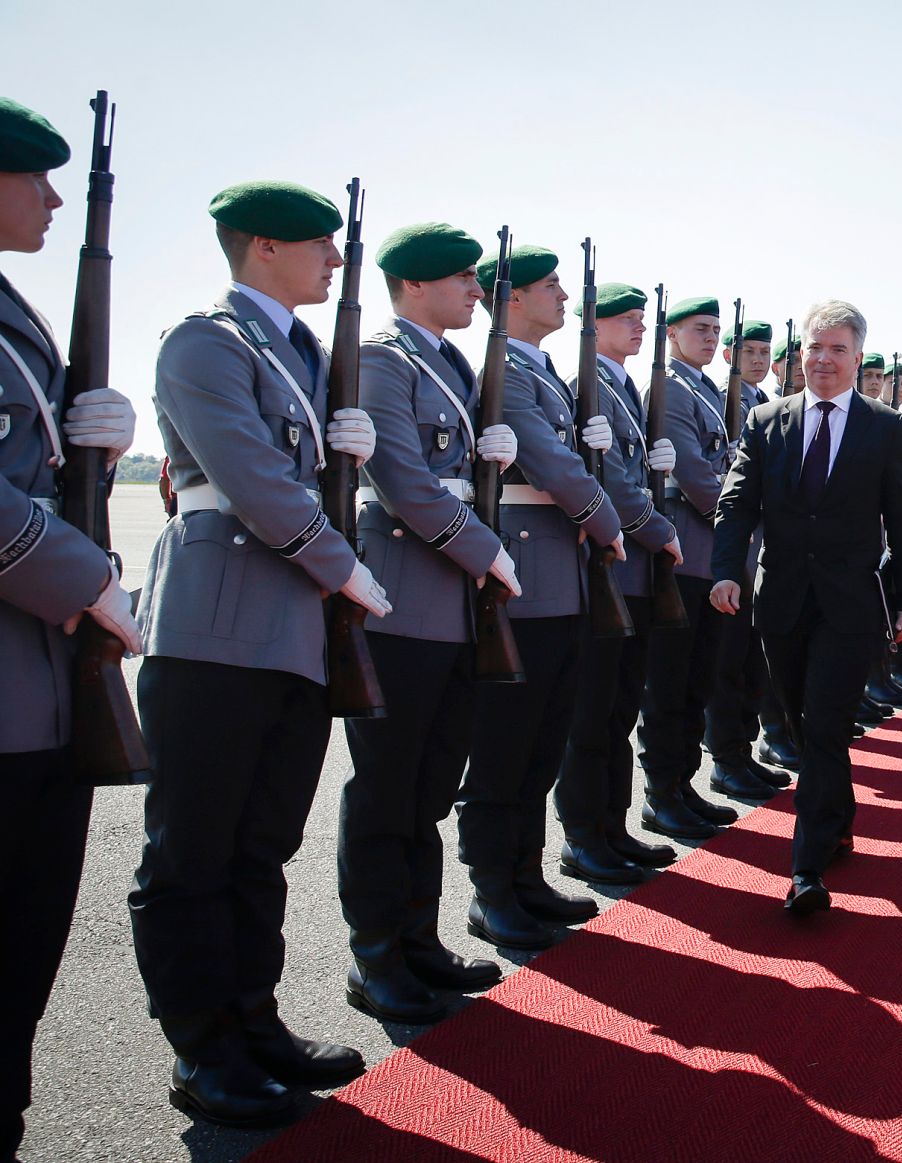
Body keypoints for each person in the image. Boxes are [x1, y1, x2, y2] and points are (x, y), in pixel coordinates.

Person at [133, 179, 389, 1126]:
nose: (331, 260)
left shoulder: (308, 354)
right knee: (193, 848)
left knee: (262, 842)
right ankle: (204, 1052)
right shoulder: (205, 340)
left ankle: (255, 1020)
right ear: (265, 249)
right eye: (319, 245)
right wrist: (345, 565)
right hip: (218, 622)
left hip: (294, 628)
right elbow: (247, 476)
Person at [0, 97, 141, 1157]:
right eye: (33, 175)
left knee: (22, 949)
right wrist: (88, 575)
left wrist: (83, 451)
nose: (53, 197)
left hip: (43, 693)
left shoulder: (18, 316)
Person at [339, 221, 519, 1022]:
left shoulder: (445, 361)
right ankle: (376, 953)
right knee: (388, 786)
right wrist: (483, 548)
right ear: (414, 284)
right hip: (406, 596)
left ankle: (419, 938)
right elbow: (402, 476)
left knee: (431, 784)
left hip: (451, 607)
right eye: (463, 277)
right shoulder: (383, 356)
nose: (477, 290)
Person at [710, 299, 902, 914]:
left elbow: (901, 522)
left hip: (852, 604)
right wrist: (728, 572)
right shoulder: (768, 422)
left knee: (825, 723)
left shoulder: (884, 427)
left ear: (857, 358)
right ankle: (839, 815)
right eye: (814, 348)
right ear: (799, 354)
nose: (824, 360)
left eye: (837, 350)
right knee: (805, 725)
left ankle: (805, 868)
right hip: (781, 601)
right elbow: (738, 503)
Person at [457, 244, 628, 949]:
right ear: (514, 300)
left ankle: (524, 874)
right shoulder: (502, 368)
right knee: (503, 747)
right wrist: (610, 518)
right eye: (550, 287)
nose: (564, 298)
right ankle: (491, 887)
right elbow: (547, 459)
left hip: (560, 579)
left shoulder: (548, 372)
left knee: (540, 745)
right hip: (524, 582)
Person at [554, 283, 686, 883]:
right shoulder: (585, 382)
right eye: (628, 320)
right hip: (607, 566)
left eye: (642, 320)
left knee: (620, 709)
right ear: (593, 325)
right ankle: (584, 835)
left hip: (631, 572)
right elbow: (608, 483)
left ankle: (613, 825)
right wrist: (656, 528)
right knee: (593, 712)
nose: (639, 329)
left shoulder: (623, 386)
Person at [638, 295, 737, 838]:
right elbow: (697, 474)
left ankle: (681, 784)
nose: (711, 339)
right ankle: (661, 793)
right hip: (686, 551)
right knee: (670, 684)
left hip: (708, 552)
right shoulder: (670, 388)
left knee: (697, 679)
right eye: (700, 329)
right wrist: (738, 517)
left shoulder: (703, 388)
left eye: (716, 331)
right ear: (671, 333)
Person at [704, 318, 789, 798]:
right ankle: (726, 758)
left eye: (764, 351)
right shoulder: (724, 400)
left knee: (752, 662)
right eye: (748, 351)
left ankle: (742, 751)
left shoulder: (762, 405)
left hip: (759, 549)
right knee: (727, 663)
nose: (757, 359)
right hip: (730, 547)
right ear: (729, 356)